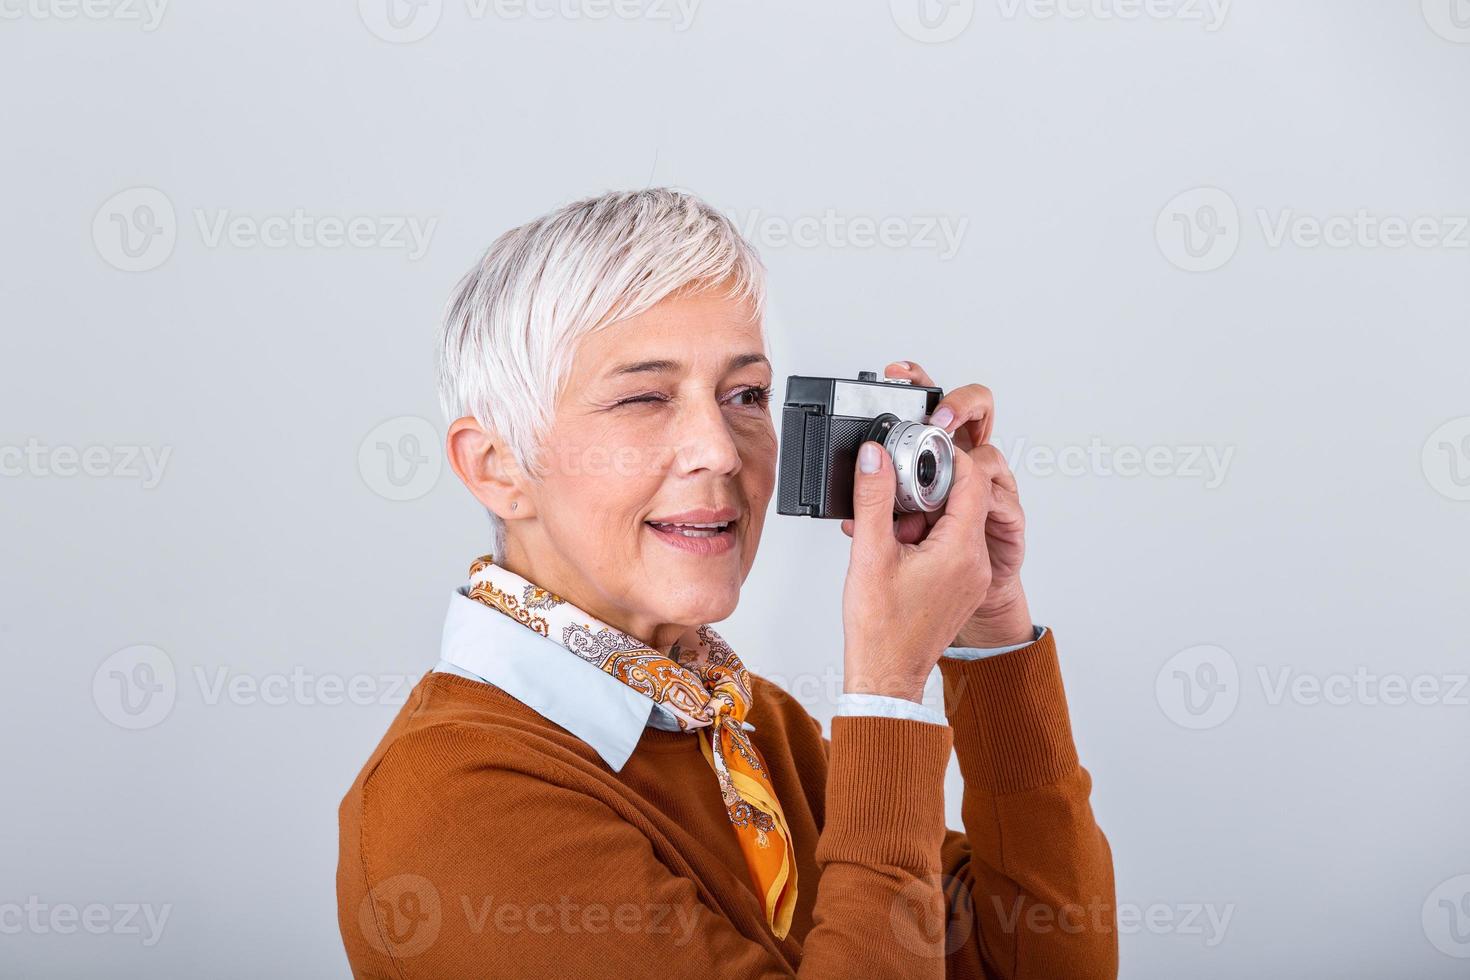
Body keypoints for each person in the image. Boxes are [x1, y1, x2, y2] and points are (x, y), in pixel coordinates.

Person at [336, 188, 1117, 978]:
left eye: (744, 396)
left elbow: (1049, 964)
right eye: (644, 397)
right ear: (497, 466)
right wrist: (885, 694)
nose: (719, 449)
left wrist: (988, 630)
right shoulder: (456, 801)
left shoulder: (745, 728)